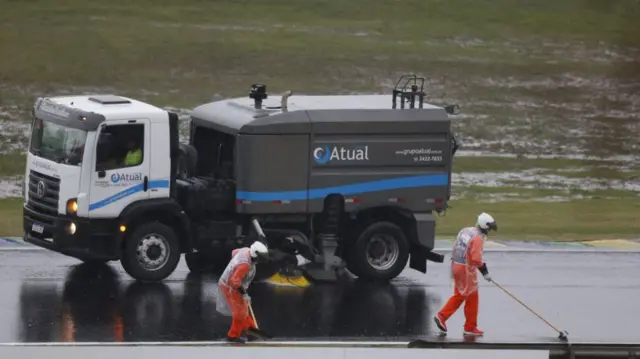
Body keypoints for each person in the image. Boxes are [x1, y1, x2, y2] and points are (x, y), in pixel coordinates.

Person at [433, 212, 497, 337]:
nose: (489, 230)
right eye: (489, 228)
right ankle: (442, 316)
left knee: (471, 296)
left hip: (456, 265)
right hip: (465, 269)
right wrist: (485, 272)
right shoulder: (478, 238)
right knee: (462, 295)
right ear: (485, 226)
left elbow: (457, 246)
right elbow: (476, 259)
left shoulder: (466, 230)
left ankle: (470, 326)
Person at [217, 241, 270, 343]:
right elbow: (234, 281)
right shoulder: (245, 265)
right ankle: (232, 336)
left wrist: (233, 267)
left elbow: (234, 252)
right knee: (239, 313)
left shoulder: (245, 250)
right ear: (256, 254)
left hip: (231, 284)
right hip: (230, 287)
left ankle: (253, 332)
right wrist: (244, 294)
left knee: (243, 311)